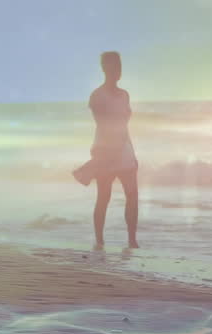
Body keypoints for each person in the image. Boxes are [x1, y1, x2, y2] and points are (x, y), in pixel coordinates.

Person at [73, 51, 139, 249]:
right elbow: (102, 124)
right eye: (113, 66)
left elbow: (125, 126)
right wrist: (106, 152)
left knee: (132, 196)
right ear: (104, 69)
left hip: (125, 150)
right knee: (104, 197)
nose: (117, 70)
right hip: (106, 150)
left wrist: (132, 152)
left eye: (119, 66)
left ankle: (132, 241)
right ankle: (100, 241)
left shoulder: (124, 95)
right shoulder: (97, 96)